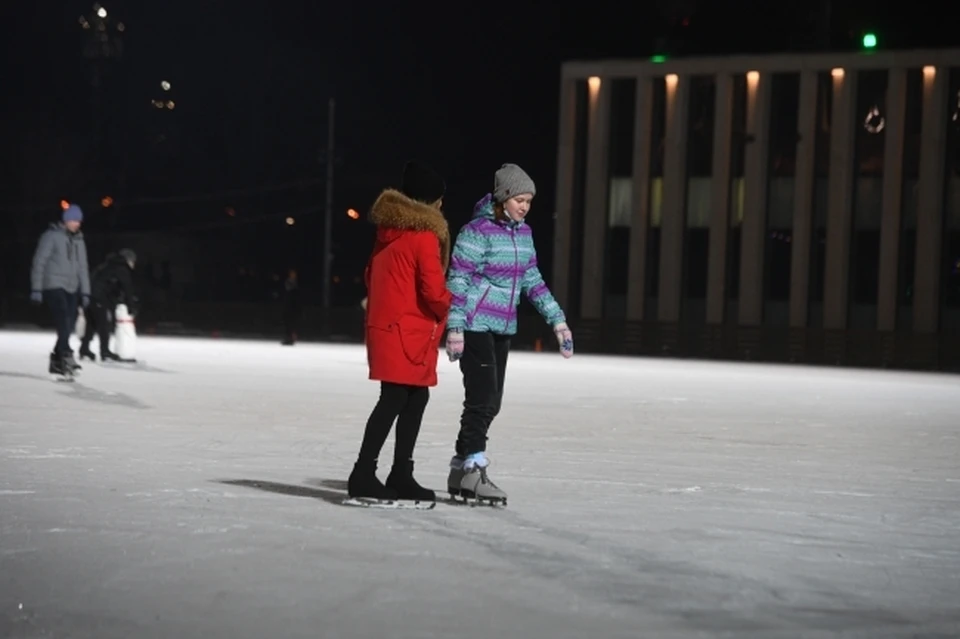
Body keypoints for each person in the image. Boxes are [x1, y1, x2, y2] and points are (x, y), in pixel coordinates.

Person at [444, 163, 574, 504]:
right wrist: (455, 326)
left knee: (492, 402)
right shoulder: (477, 231)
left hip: (503, 326)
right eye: (520, 199)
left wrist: (558, 321)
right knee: (482, 397)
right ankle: (472, 469)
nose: (525, 206)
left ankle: (461, 468)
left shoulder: (524, 234)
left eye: (529, 200)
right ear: (503, 197)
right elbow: (457, 280)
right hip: (474, 323)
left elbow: (532, 281)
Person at [347, 160, 452, 502]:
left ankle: (399, 473)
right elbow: (434, 292)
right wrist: (460, 308)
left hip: (389, 328)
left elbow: (369, 276)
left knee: (411, 397)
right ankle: (364, 473)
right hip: (407, 333)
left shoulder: (387, 233)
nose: (441, 206)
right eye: (439, 199)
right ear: (429, 201)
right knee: (396, 398)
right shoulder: (423, 237)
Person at [30, 204, 91, 376]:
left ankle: (56, 360)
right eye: (73, 220)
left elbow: (83, 267)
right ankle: (66, 355)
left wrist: (86, 291)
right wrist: (37, 288)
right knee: (63, 319)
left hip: (72, 287)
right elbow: (39, 262)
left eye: (79, 221)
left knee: (69, 325)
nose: (76, 224)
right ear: (65, 220)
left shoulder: (79, 240)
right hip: (53, 284)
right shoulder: (51, 237)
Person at [79, 248, 138, 362]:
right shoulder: (121, 269)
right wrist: (131, 306)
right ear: (128, 260)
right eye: (133, 261)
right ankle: (105, 351)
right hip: (99, 298)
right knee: (103, 325)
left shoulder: (106, 265)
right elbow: (127, 288)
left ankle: (84, 349)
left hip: (87, 296)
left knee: (91, 323)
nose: (133, 264)